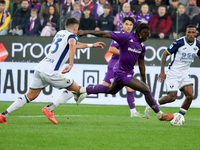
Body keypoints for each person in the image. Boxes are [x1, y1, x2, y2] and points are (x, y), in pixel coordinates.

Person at [0, 18, 105, 124]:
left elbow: (73, 44)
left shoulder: (60, 33)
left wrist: (91, 45)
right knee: (75, 89)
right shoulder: (72, 36)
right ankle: (50, 109)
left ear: (65, 27)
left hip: (40, 68)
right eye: (77, 29)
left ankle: (4, 115)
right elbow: (72, 44)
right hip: (50, 72)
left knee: (30, 95)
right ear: (75, 28)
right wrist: (71, 64)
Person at [77, 23, 174, 121]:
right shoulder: (126, 37)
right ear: (141, 33)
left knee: (111, 90)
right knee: (146, 90)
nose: (148, 37)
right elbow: (104, 34)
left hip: (127, 72)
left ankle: (82, 90)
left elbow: (141, 65)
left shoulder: (142, 46)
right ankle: (160, 115)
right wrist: (85, 32)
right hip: (121, 72)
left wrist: (144, 81)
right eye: (147, 35)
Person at [145, 24, 200, 118]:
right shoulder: (179, 42)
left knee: (190, 96)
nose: (191, 34)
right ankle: (152, 104)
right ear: (186, 33)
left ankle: (179, 117)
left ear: (196, 34)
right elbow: (165, 54)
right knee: (172, 98)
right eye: (189, 32)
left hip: (185, 73)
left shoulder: (198, 44)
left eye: (193, 32)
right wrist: (162, 71)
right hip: (173, 73)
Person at [102, 17, 144, 117]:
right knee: (105, 88)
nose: (128, 26)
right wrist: (125, 53)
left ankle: (133, 112)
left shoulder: (133, 36)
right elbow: (111, 48)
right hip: (115, 65)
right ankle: (83, 91)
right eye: (127, 24)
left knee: (130, 88)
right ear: (122, 25)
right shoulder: (120, 34)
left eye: (130, 25)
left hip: (124, 67)